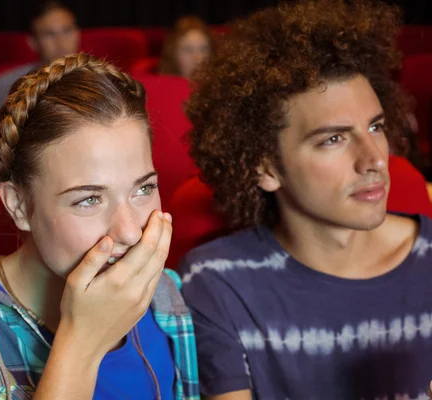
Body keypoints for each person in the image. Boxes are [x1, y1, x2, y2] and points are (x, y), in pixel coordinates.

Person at [0, 53, 199, 399]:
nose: (130, 232)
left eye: (143, 189)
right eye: (89, 199)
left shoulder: (163, 293)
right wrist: (81, 342)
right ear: (19, 205)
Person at [179, 1, 432, 399]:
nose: (375, 159)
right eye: (333, 138)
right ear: (266, 168)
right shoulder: (217, 281)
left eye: (376, 127)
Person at [0, 0, 80, 106]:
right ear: (32, 42)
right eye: (49, 34)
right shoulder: (4, 85)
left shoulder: (99, 77)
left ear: (78, 32)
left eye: (67, 31)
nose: (61, 42)